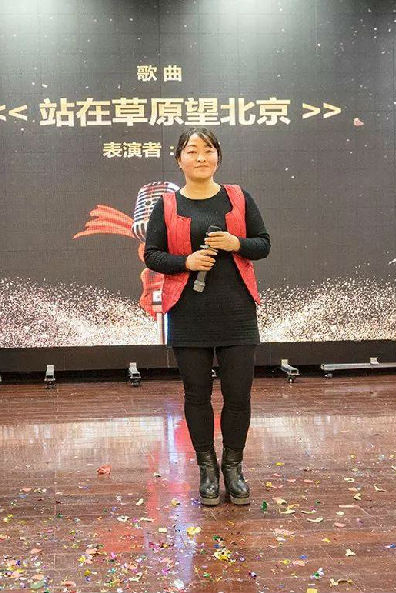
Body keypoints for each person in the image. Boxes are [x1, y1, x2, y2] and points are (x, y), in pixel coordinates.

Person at [143, 128, 270, 506]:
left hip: (236, 313)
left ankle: (233, 467)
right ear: (179, 159)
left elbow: (263, 244)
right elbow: (152, 255)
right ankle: (207, 468)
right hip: (189, 314)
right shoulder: (167, 204)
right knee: (196, 395)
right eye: (192, 151)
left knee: (238, 395)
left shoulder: (238, 197)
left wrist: (236, 243)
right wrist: (187, 262)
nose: (201, 157)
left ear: (218, 157)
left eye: (208, 150)